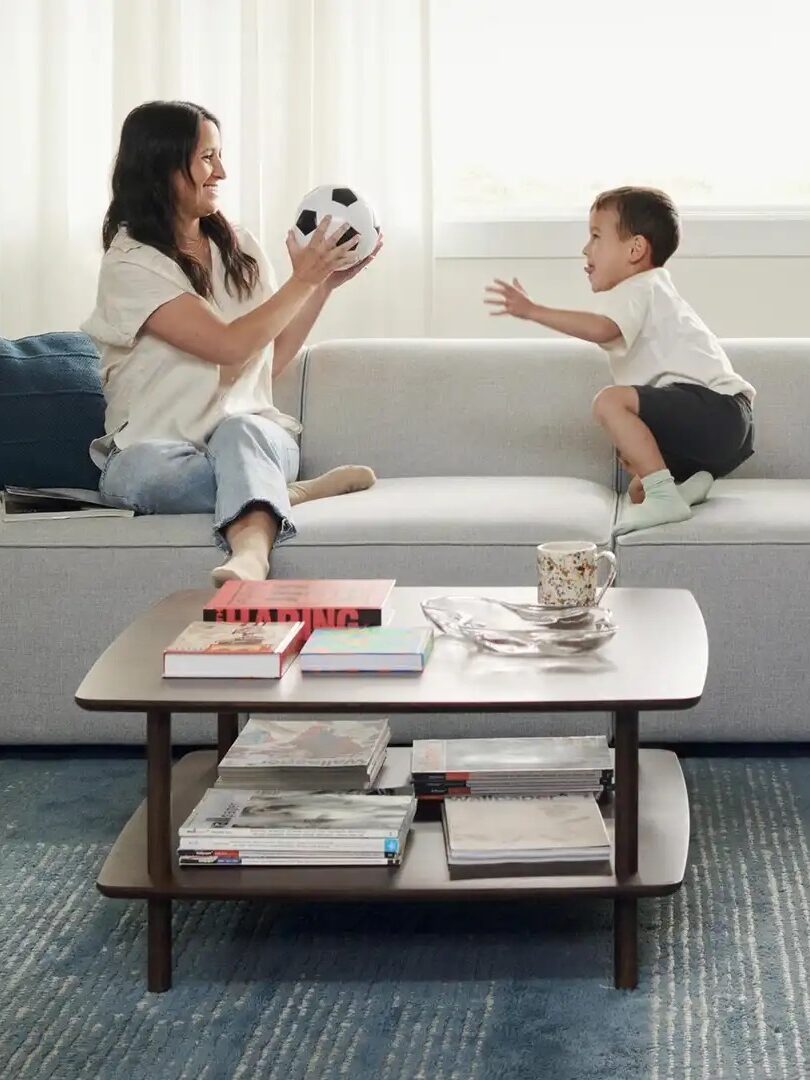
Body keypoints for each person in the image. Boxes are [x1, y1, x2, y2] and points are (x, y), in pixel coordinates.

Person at [82, 100, 381, 585]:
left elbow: (265, 360)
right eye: (206, 158)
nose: (220, 171)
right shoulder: (130, 264)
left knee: (240, 433)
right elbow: (228, 346)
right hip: (159, 450)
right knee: (137, 475)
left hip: (248, 436)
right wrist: (303, 280)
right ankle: (282, 491)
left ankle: (250, 553)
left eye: (219, 156)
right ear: (162, 166)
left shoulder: (238, 248)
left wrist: (321, 285)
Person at [484, 186, 755, 534]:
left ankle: (666, 499)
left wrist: (534, 311)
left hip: (719, 413)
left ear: (635, 249)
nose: (585, 248)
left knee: (609, 402)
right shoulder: (655, 290)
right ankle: (684, 489)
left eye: (596, 236)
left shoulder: (640, 286)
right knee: (638, 486)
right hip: (729, 428)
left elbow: (602, 328)